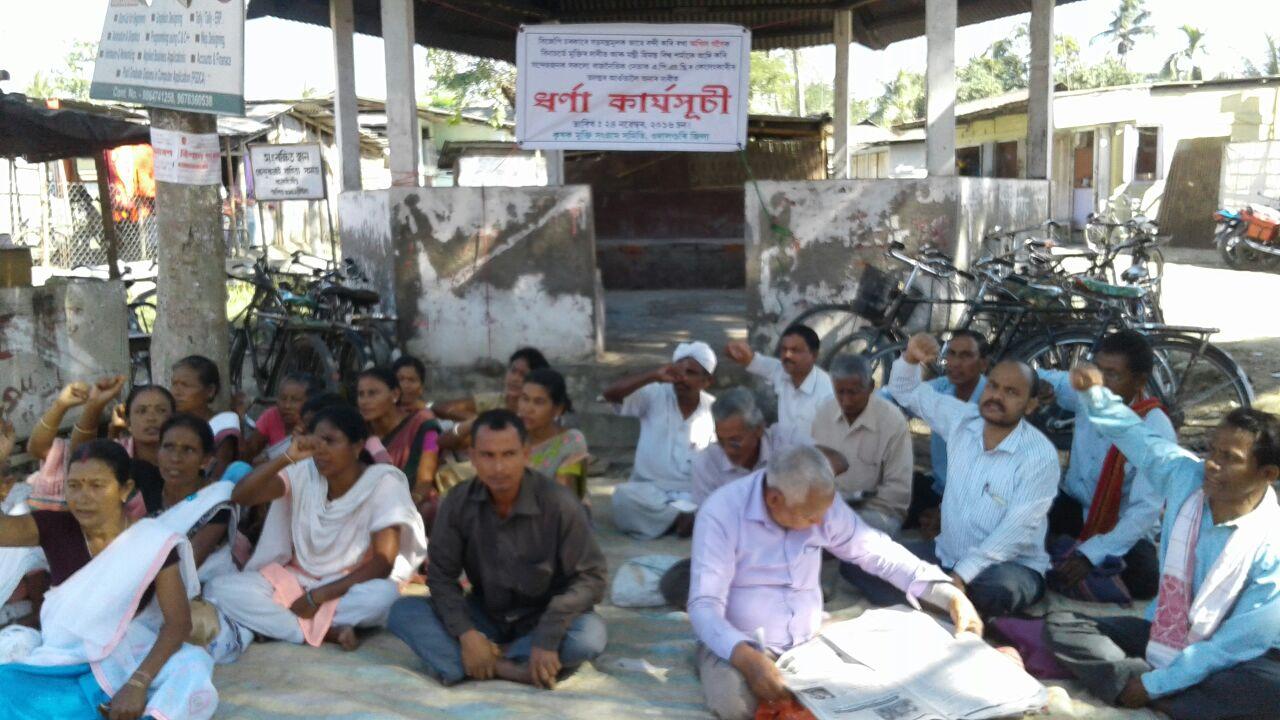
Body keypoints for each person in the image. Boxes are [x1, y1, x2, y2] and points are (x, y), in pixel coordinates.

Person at [1045, 365, 1280, 720]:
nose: (1212, 465)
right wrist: (1094, 395)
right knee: (1062, 624)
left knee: (1269, 686)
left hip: (1235, 656)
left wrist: (1155, 684)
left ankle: (1151, 691)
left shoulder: (1271, 542)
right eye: (1212, 451)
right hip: (1165, 633)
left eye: (1230, 459)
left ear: (1268, 474)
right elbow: (1136, 437)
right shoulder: (1186, 476)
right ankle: (1173, 695)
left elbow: (1238, 642)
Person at [689, 445, 983, 720]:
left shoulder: (819, 505)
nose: (821, 523)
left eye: (824, 514)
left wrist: (945, 593)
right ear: (774, 499)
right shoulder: (721, 513)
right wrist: (745, 658)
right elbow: (704, 606)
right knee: (735, 705)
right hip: (740, 641)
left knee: (882, 679)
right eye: (810, 517)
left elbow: (876, 551)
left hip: (807, 638)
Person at [387, 410, 607, 689]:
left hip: (545, 615)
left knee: (587, 638)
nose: (499, 467)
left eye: (509, 454)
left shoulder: (559, 503)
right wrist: (467, 634)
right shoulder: (457, 502)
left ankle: (476, 661)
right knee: (404, 611)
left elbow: (592, 578)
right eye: (488, 456)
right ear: (473, 457)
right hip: (486, 614)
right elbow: (441, 577)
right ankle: (510, 666)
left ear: (526, 454)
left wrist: (548, 636)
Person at [0, 440, 218, 720]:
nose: (83, 497)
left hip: (129, 660)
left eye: (97, 485)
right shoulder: (54, 527)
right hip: (60, 661)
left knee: (193, 664)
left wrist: (138, 683)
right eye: (74, 485)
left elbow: (178, 624)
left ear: (125, 489)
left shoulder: (152, 540)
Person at [847, 333, 1058, 619]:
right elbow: (905, 391)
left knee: (998, 589)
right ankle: (952, 603)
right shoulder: (963, 419)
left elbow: (1015, 532)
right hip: (945, 555)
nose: (997, 396)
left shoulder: (1039, 456)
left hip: (1008, 566)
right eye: (993, 386)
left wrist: (962, 574)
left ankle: (940, 598)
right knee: (858, 562)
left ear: (1030, 405)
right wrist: (911, 358)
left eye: (1011, 392)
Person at [204, 404, 427, 651]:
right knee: (219, 588)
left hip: (346, 586)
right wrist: (287, 457)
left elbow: (382, 563)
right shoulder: (303, 472)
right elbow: (242, 496)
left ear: (357, 446)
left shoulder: (383, 483)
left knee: (385, 597)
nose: (321, 451)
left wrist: (317, 597)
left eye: (330, 441)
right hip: (294, 579)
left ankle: (279, 624)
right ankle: (327, 632)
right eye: (316, 442)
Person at [1039, 330, 1172, 602]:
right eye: (1097, 370)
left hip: (1119, 524)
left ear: (1139, 381)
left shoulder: (1155, 429)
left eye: (1112, 375)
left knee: (1145, 579)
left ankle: (1064, 556)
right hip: (1074, 507)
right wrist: (1038, 386)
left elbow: (1144, 512)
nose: (1100, 382)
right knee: (1024, 519)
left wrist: (1090, 556)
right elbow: (1048, 380)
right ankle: (1061, 557)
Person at [602, 342, 717, 539]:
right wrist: (653, 375)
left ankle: (674, 520)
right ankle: (680, 519)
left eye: (690, 373)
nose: (681, 378)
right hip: (650, 491)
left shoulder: (714, 408)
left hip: (693, 493)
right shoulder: (654, 394)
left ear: (706, 381)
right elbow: (610, 395)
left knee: (722, 498)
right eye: (677, 371)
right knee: (623, 496)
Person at [890, 330, 990, 536]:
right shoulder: (943, 391)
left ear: (983, 364)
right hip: (939, 489)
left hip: (978, 502)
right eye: (951, 354)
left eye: (965, 356)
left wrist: (946, 512)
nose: (955, 363)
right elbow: (901, 393)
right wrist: (910, 358)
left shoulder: (991, 406)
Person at [810, 354, 913, 536]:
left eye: (853, 392)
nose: (846, 400)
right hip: (830, 507)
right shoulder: (824, 412)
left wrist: (849, 511)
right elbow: (814, 468)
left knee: (841, 534)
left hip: (877, 511)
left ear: (871, 387)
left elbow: (897, 491)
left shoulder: (892, 422)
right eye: (840, 392)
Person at [356, 368, 442, 525]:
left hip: (413, 503)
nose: (365, 401)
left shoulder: (426, 425)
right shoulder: (358, 432)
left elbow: (425, 479)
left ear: (395, 394)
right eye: (361, 394)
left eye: (373, 393)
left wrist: (405, 507)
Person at [725, 324, 834, 448]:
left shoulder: (827, 394)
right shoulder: (782, 372)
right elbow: (752, 361)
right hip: (783, 453)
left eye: (795, 350)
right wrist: (735, 349)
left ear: (813, 355)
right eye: (784, 349)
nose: (787, 355)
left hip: (812, 457)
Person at [691, 388, 779, 507]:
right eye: (721, 440)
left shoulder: (784, 448)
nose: (728, 450)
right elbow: (707, 514)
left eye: (735, 440)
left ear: (758, 429)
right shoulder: (706, 462)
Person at [518, 368, 590, 500]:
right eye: (525, 399)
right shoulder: (511, 438)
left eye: (538, 402)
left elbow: (569, 498)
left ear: (558, 409)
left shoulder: (571, 441)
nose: (527, 409)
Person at [171, 355, 239, 481]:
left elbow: (217, 476)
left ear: (210, 391)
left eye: (185, 385)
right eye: (174, 384)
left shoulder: (223, 424)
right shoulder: (171, 423)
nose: (176, 392)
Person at [240, 372, 322, 463]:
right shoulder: (271, 416)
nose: (287, 406)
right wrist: (239, 417)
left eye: (295, 400)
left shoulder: (320, 424)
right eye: (283, 398)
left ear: (310, 402)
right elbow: (248, 454)